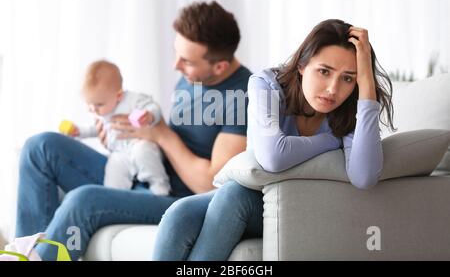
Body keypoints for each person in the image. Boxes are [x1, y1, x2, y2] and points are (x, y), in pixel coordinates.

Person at [15, 0, 252, 261]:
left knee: (84, 200)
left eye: (186, 61)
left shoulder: (241, 97)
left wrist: (161, 134)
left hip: (172, 197)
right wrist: (122, 139)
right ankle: (24, 252)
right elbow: (160, 140)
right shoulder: (191, 78)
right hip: (142, 172)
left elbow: (211, 185)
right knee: (40, 147)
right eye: (176, 53)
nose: (175, 65)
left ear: (219, 66)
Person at [152, 19, 395, 260]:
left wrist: (366, 86)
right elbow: (273, 155)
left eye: (348, 78)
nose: (333, 88)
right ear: (302, 65)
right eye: (324, 71)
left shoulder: (354, 110)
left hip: (298, 204)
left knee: (233, 197)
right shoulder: (267, 84)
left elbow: (364, 176)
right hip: (256, 194)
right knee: (179, 214)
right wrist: (332, 141)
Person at [64, 59, 170, 195]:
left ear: (118, 95)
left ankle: (160, 186)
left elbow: (153, 106)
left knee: (144, 152)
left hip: (140, 143)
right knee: (114, 169)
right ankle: (115, 196)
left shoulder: (133, 100)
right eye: (89, 104)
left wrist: (148, 115)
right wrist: (79, 131)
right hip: (120, 152)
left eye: (98, 104)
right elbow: (95, 129)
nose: (93, 109)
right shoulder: (101, 112)